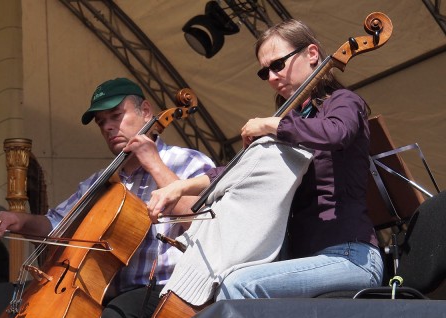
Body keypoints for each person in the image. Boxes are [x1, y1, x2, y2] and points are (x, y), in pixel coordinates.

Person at [0, 77, 215, 318]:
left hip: (174, 292)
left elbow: (198, 219)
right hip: (120, 296)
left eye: (116, 115)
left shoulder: (188, 162)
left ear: (145, 111)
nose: (109, 127)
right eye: (102, 123)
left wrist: (152, 162)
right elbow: (56, 225)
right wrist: (18, 221)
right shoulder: (101, 182)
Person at [147, 19, 383, 303]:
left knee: (240, 285)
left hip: (351, 256)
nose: (271, 77)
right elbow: (234, 172)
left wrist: (272, 126)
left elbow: (336, 133)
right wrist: (179, 188)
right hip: (303, 258)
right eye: (264, 72)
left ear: (311, 54)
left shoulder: (343, 102)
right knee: (220, 279)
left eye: (277, 65)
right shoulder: (291, 124)